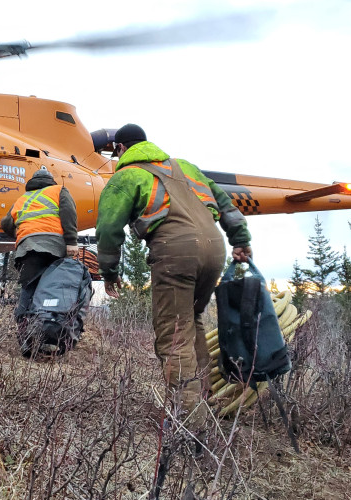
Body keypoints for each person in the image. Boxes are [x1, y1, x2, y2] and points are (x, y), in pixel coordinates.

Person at [95, 123, 252, 435]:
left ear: (121, 148)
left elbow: (108, 230)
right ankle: (204, 403)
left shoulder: (126, 176)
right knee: (191, 320)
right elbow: (226, 205)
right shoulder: (186, 167)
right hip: (214, 250)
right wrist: (241, 240)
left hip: (176, 251)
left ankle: (188, 423)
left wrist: (109, 273)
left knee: (175, 334)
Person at [0, 169, 79, 322]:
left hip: (27, 249)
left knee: (29, 288)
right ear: (51, 180)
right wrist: (71, 242)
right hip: (53, 246)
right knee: (54, 287)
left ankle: (23, 328)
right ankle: (52, 326)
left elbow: (5, 223)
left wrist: (21, 236)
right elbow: (68, 213)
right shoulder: (58, 191)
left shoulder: (23, 199)